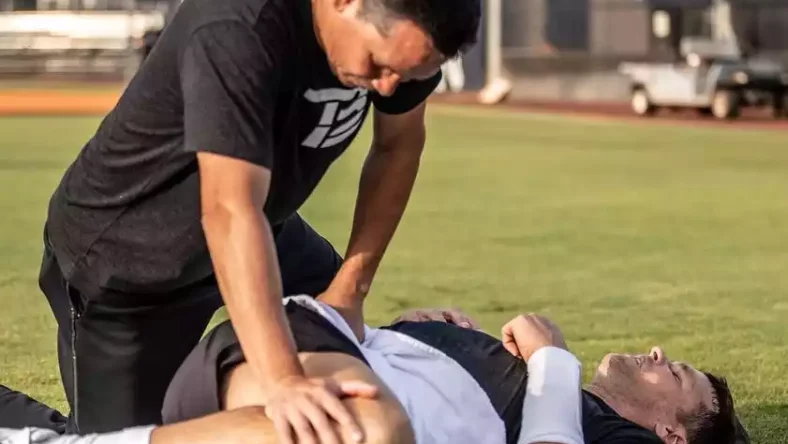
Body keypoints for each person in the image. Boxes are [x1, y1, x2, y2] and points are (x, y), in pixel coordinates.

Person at [38, 0, 481, 437]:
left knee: (356, 346)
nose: (387, 88)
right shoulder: (237, 26)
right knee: (125, 439)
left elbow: (397, 147)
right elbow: (230, 210)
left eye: (407, 75)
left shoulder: (401, 37)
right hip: (132, 260)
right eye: (378, 65)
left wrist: (351, 288)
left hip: (266, 230)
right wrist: (282, 378)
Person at [1, 299, 749, 444]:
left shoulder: (611, 432)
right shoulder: (525, 379)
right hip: (319, 342)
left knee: (339, 425)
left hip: (319, 395)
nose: (657, 354)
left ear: (670, 434)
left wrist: (553, 353)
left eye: (674, 374)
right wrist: (422, 332)